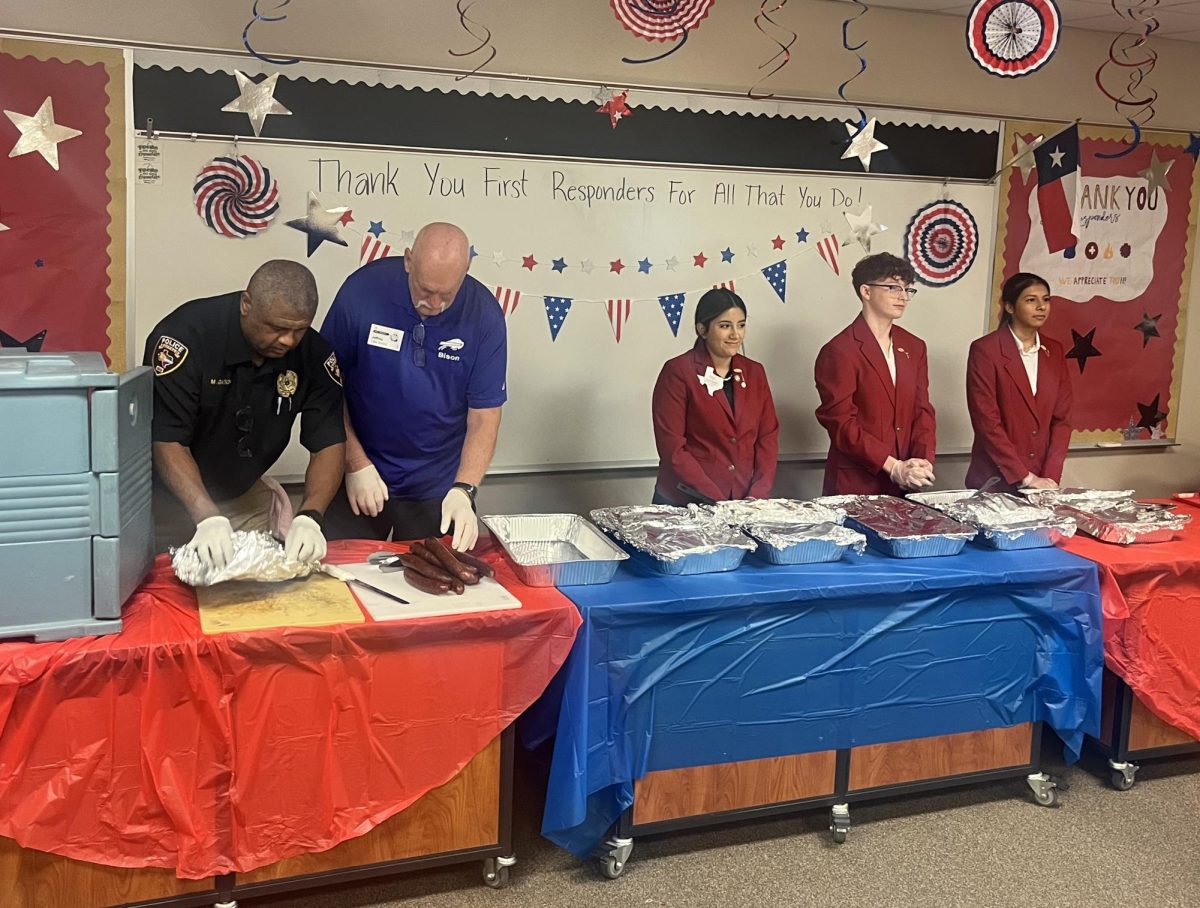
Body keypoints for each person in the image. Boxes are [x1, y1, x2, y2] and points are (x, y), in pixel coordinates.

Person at [144, 260, 346, 569]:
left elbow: (328, 442)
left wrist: (310, 516)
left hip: (243, 495)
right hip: (169, 503)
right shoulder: (185, 338)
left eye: (299, 329)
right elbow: (168, 440)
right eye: (277, 328)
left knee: (248, 597)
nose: (288, 341)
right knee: (168, 594)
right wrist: (207, 517)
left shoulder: (315, 354)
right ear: (246, 304)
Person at [320, 222, 506, 551]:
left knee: (439, 584)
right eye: (424, 290)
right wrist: (355, 464)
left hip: (437, 484)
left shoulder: (485, 316)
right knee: (338, 578)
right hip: (359, 467)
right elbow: (325, 385)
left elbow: (484, 417)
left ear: (467, 270)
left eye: (446, 295)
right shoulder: (362, 291)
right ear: (408, 260)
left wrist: (465, 490)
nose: (433, 303)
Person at [814, 252, 936, 495]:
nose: (902, 296)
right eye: (892, 287)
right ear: (866, 292)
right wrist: (893, 466)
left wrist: (921, 460)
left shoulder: (914, 346)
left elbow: (922, 409)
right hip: (858, 483)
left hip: (907, 481)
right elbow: (841, 423)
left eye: (907, 289)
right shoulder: (839, 350)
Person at [651, 288, 779, 505]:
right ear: (702, 329)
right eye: (725, 326)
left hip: (744, 502)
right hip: (687, 500)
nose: (735, 335)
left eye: (741, 325)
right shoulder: (678, 371)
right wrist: (718, 501)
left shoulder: (755, 372)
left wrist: (756, 496)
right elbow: (673, 449)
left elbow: (768, 437)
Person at [965, 272, 1073, 491]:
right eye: (1031, 300)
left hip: (1043, 483)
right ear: (1010, 307)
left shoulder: (1054, 351)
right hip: (995, 479)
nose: (1041, 307)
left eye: (1046, 299)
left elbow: (1062, 420)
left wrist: (1050, 476)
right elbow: (987, 422)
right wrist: (1025, 477)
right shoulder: (986, 350)